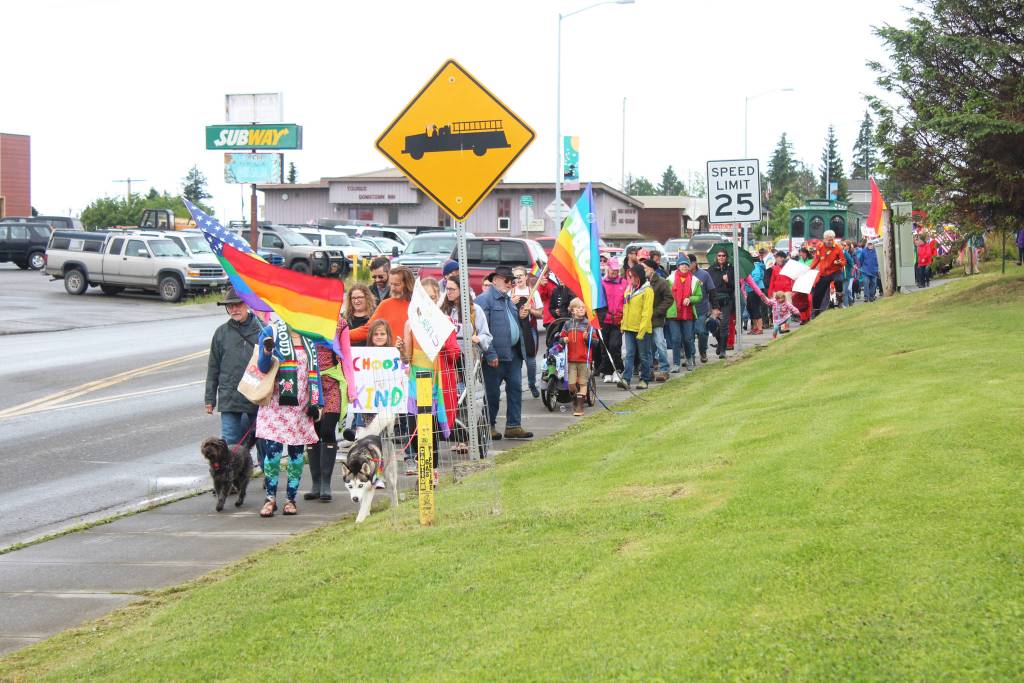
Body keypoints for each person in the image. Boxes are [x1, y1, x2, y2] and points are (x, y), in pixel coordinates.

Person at [254, 321, 321, 517]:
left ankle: (291, 500)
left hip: (300, 408)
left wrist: (318, 403)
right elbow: (262, 368)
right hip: (276, 406)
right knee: (272, 455)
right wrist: (266, 352)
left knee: (297, 456)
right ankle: (270, 498)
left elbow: (314, 373)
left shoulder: (309, 336)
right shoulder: (272, 332)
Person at [204, 287, 264, 458]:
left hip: (257, 395)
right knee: (229, 443)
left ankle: (268, 478)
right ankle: (229, 480)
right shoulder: (221, 333)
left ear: (247, 305)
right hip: (229, 396)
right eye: (230, 306)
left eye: (238, 305)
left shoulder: (263, 330)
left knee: (262, 439)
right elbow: (213, 367)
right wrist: (209, 399)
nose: (234, 309)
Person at [477, 265, 533, 441]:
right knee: (493, 393)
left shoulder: (508, 300)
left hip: (513, 354)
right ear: (495, 280)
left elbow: (510, 325)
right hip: (496, 356)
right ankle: (489, 425)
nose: (511, 283)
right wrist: (490, 353)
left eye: (512, 280)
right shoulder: (484, 300)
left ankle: (513, 426)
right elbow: (481, 330)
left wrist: (521, 316)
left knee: (516, 388)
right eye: (507, 280)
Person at [440, 276, 492, 454]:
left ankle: (470, 437)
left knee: (468, 398)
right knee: (453, 397)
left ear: (461, 290)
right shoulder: (444, 311)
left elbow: (487, 335)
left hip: (469, 360)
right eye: (447, 289)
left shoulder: (474, 310)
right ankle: (459, 436)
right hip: (449, 361)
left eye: (452, 289)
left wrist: (478, 339)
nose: (449, 293)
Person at [305, 311, 348, 502]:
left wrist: (352, 388)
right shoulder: (301, 320)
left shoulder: (340, 323)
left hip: (332, 383)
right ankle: (315, 483)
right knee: (312, 433)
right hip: (310, 383)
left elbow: (347, 354)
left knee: (328, 430)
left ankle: (326, 484)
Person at [349, 265, 412, 347]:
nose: (392, 288)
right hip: (392, 357)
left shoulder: (418, 305)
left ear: (407, 284)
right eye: (391, 284)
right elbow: (368, 330)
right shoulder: (386, 304)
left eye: (397, 284)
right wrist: (339, 336)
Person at [618, 264, 654, 391]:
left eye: (632, 277)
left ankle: (644, 379)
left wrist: (642, 330)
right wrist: (623, 324)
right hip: (629, 328)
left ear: (639, 277)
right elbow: (625, 308)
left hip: (641, 329)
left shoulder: (647, 290)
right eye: (629, 277)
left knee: (644, 355)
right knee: (629, 354)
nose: (630, 279)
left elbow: (647, 312)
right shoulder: (629, 289)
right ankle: (626, 379)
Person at [560, 298, 598, 416]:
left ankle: (579, 406)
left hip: (584, 360)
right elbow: (561, 338)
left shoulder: (589, 324)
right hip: (571, 359)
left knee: (582, 383)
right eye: (578, 307)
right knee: (571, 384)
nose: (581, 309)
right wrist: (563, 340)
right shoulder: (567, 324)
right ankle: (576, 399)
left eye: (583, 307)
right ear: (572, 311)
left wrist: (588, 338)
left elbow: (596, 342)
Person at [511, 265, 543, 398]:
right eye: (515, 276)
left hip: (529, 329)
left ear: (526, 277)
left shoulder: (533, 292)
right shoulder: (510, 293)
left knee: (531, 359)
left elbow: (541, 314)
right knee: (516, 360)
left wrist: (530, 310)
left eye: (520, 276)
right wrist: (511, 304)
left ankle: (531, 383)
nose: (518, 279)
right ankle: (516, 388)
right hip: (515, 330)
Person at [668, 258, 703, 372]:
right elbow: (666, 295)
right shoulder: (670, 279)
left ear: (689, 267)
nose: (684, 267)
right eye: (681, 265)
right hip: (674, 314)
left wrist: (690, 299)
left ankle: (689, 360)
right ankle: (676, 364)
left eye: (686, 265)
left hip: (687, 314)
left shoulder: (694, 280)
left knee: (688, 339)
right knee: (675, 339)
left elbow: (699, 296)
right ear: (677, 266)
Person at [641, 258, 673, 381]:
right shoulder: (641, 283)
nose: (643, 271)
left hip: (656, 320)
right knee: (648, 347)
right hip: (644, 321)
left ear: (651, 269)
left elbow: (669, 299)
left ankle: (664, 369)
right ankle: (648, 370)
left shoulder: (661, 282)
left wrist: (656, 312)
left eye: (645, 268)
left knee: (660, 343)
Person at [598, 257, 627, 382]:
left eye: (616, 270)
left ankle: (618, 369)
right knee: (605, 347)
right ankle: (607, 371)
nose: (614, 273)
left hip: (618, 320)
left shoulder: (624, 283)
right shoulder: (602, 283)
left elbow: (627, 300)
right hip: (605, 319)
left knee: (615, 346)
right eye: (612, 270)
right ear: (607, 269)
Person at [810, 230, 846, 318]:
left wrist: (839, 262)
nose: (829, 241)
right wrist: (810, 268)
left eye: (831, 239)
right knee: (818, 293)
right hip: (824, 273)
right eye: (828, 240)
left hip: (835, 270)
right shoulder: (819, 246)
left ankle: (840, 301)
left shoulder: (838, 247)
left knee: (839, 280)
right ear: (824, 239)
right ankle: (816, 312)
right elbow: (816, 259)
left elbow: (843, 261)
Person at [688, 253, 716, 364]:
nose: (686, 265)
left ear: (695, 263)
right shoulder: (680, 275)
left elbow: (712, 291)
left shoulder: (704, 274)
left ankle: (703, 351)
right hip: (687, 310)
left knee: (702, 332)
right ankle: (690, 355)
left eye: (689, 263)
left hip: (701, 309)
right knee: (688, 335)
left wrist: (715, 307)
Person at [707, 250, 735, 359]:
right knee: (712, 323)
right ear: (716, 257)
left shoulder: (730, 269)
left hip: (727, 300)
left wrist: (728, 281)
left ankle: (723, 350)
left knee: (724, 324)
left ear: (726, 257)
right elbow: (708, 286)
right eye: (719, 255)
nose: (721, 257)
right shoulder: (711, 269)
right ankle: (720, 342)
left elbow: (734, 287)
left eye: (723, 255)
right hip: (714, 300)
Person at [745, 254, 766, 334]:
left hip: (756, 289)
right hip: (750, 290)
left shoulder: (755, 266)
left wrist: (747, 283)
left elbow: (756, 277)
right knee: (750, 308)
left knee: (755, 308)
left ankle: (760, 328)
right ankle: (755, 327)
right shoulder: (751, 266)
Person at [842, 241, 858, 307]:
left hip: (847, 275)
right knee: (846, 291)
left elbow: (851, 261)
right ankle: (849, 302)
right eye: (842, 245)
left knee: (846, 290)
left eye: (845, 245)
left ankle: (846, 305)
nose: (843, 246)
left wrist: (853, 266)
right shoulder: (839, 252)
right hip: (840, 276)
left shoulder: (846, 253)